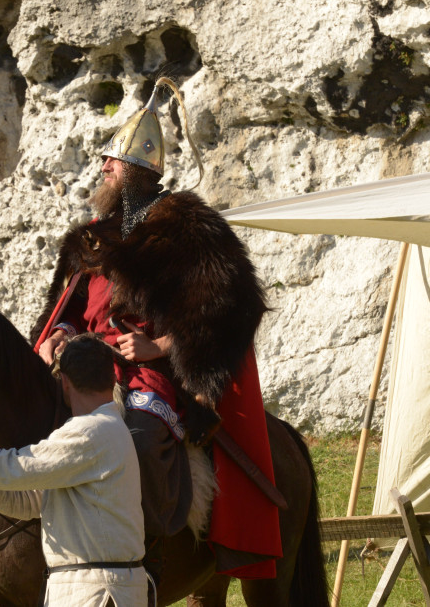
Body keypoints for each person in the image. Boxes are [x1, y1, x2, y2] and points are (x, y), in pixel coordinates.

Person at [29, 78, 280, 578]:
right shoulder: (92, 242)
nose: (103, 167)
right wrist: (57, 335)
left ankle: (155, 551)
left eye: (112, 162)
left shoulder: (188, 229)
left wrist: (159, 344)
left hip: (150, 377)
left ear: (138, 171)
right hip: (82, 371)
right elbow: (71, 310)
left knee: (141, 438)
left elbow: (231, 310)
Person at [0, 334, 147, 606]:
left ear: (66, 383)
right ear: (111, 379)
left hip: (97, 592)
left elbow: (13, 468)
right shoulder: (106, 428)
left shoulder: (90, 432)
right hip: (94, 588)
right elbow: (39, 501)